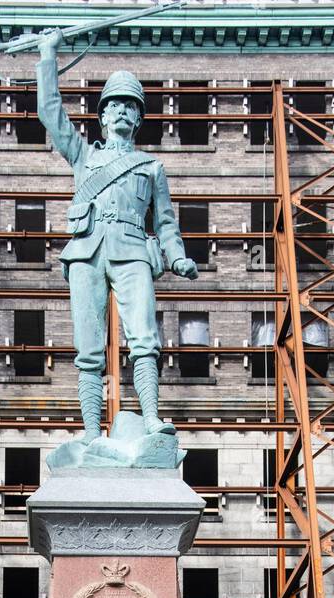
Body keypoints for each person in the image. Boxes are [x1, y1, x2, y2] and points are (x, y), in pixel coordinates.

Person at [36, 28, 198, 442]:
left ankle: (150, 420)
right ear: (103, 115)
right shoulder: (83, 154)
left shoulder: (151, 167)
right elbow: (50, 113)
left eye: (131, 106)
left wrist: (175, 256)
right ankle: (91, 433)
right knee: (88, 350)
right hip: (87, 251)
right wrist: (47, 56)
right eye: (115, 105)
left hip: (132, 252)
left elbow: (165, 222)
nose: (123, 111)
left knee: (145, 340)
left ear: (139, 119)